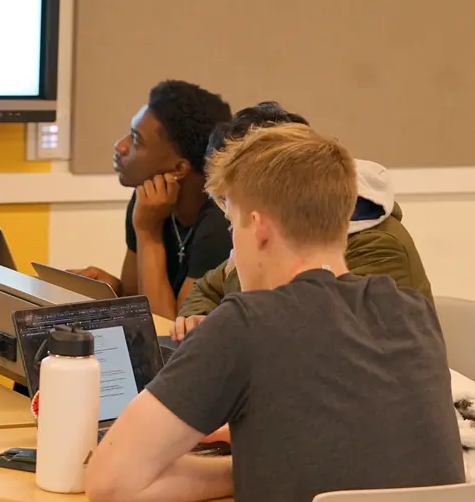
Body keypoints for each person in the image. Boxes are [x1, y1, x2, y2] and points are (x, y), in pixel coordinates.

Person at [77, 124, 463, 502]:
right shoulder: (410, 310)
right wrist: (270, 451)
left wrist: (248, 469)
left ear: (257, 228)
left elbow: (110, 479)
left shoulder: (244, 323)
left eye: (231, 226)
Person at [173, 102, 432, 340]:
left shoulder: (375, 244)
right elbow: (206, 291)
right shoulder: (289, 227)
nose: (228, 210)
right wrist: (199, 319)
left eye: (231, 196)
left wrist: (234, 290)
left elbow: (308, 336)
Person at [74, 80, 233, 319]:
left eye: (136, 140)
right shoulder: (147, 200)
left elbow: (168, 332)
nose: (120, 146)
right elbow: (135, 297)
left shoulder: (220, 222)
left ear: (179, 168)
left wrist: (148, 234)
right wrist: (110, 289)